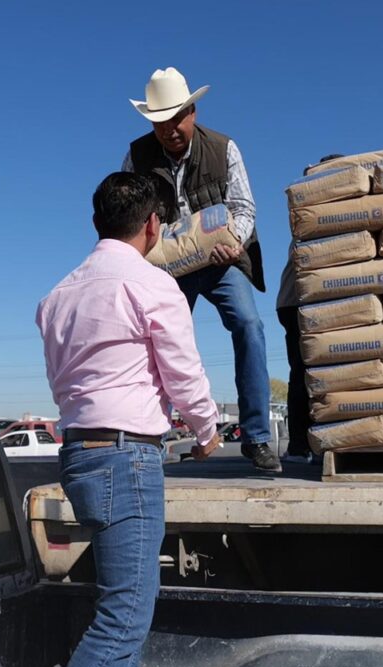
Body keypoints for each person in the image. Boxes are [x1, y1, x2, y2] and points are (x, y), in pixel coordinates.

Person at [37, 172, 223, 667]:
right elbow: (182, 372)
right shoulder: (152, 285)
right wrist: (207, 432)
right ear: (153, 225)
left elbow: (63, 382)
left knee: (120, 615)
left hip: (79, 454)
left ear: (96, 224)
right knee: (123, 620)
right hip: (127, 460)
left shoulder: (57, 297)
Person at [123, 66, 280, 472]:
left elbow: (244, 208)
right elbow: (129, 215)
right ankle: (150, 438)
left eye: (177, 117)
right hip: (167, 269)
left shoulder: (224, 148)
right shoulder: (136, 156)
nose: (170, 129)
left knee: (249, 325)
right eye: (161, 121)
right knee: (150, 341)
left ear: (192, 111)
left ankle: (257, 438)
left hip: (219, 260)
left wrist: (233, 243)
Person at [275, 154, 347, 463]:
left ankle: (328, 439)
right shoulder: (316, 212)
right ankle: (299, 445)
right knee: (303, 372)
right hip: (297, 303)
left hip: (311, 301)